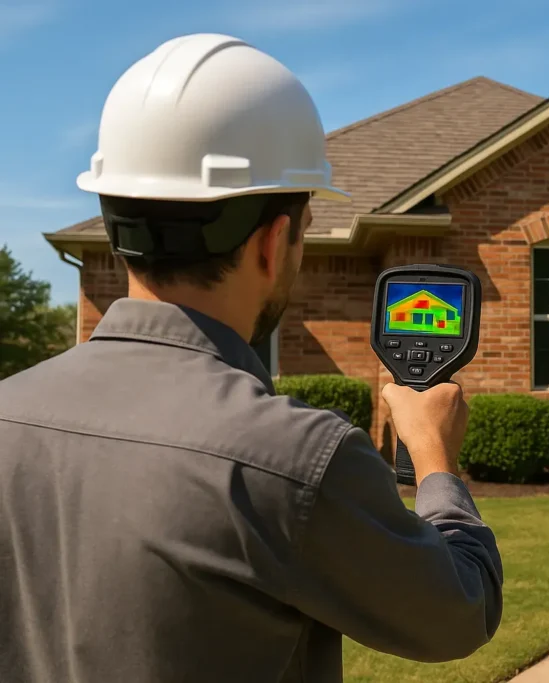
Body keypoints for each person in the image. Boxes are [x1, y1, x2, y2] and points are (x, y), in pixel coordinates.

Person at [0, 34, 502, 683]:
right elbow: (458, 609)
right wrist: (435, 458)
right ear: (274, 242)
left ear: (115, 223)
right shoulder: (295, 460)